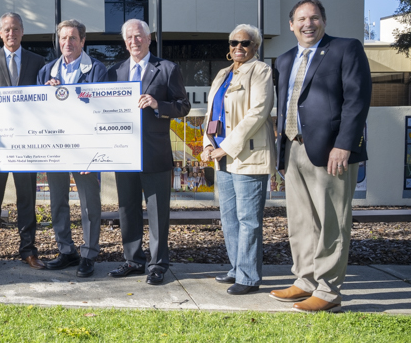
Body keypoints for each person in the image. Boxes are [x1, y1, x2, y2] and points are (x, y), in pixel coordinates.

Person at [269, 0, 372, 312]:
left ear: (323, 21)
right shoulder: (285, 60)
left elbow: (357, 100)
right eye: (301, 18)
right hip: (294, 149)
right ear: (291, 25)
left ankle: (328, 291)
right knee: (301, 222)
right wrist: (282, 153)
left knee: (331, 221)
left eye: (314, 18)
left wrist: (344, 144)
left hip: (332, 151)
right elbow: (286, 105)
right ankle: (305, 281)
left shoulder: (345, 49)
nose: (307, 24)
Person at [106, 19, 190, 285]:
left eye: (139, 36)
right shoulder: (114, 72)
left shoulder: (166, 69)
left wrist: (158, 104)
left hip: (155, 153)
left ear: (149, 38)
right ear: (124, 41)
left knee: (157, 212)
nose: (134, 41)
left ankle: (157, 264)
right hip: (124, 154)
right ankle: (133, 259)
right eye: (129, 37)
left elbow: (183, 106)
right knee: (127, 209)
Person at [200, 24, 276, 296]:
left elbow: (257, 113)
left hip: (248, 155)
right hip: (221, 157)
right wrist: (209, 144)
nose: (239, 47)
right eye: (234, 42)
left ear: (255, 47)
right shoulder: (222, 74)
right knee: (229, 217)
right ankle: (237, 268)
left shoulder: (261, 71)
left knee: (248, 219)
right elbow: (213, 114)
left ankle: (249, 276)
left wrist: (227, 147)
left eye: (245, 43)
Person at [36, 19, 106, 276]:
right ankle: (66, 250)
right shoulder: (46, 72)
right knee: (58, 201)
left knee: (89, 203)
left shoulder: (97, 69)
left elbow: (101, 110)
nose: (68, 43)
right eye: (63, 38)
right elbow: (38, 110)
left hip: (84, 148)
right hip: (55, 146)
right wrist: (46, 93)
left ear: (83, 41)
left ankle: (89, 254)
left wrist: (95, 152)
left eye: (73, 38)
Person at [0, 13, 44, 269]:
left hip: (26, 142)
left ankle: (28, 250)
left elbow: (43, 96)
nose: (11, 33)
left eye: (15, 29)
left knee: (27, 198)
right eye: (6, 29)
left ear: (22, 32)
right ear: (0, 33)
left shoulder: (38, 61)